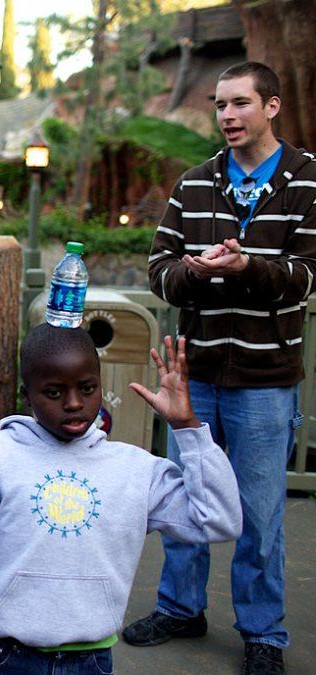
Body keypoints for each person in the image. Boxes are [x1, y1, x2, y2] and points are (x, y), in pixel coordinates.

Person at [0, 326, 242, 674]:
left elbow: (219, 521)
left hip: (90, 662)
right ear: (27, 396)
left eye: (87, 388)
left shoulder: (134, 469)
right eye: (54, 392)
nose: (73, 403)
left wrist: (188, 428)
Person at [131, 61, 316, 675]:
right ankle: (180, 608)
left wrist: (247, 268)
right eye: (220, 104)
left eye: (240, 103)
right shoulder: (193, 184)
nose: (228, 116)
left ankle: (263, 632)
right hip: (198, 375)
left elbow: (307, 276)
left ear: (272, 106)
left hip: (267, 382)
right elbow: (158, 272)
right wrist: (193, 273)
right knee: (187, 498)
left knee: (259, 514)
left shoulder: (308, 182)